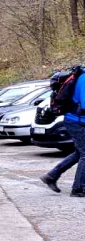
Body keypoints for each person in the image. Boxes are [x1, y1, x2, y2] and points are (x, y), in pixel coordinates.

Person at [40, 69, 85, 197]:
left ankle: (51, 176)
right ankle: (78, 189)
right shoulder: (84, 78)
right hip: (76, 121)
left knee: (79, 153)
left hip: (78, 121)